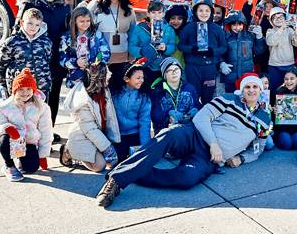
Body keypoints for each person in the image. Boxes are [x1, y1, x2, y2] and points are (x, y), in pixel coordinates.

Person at [96, 74, 271, 208]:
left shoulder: (265, 119)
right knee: (168, 135)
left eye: (255, 87)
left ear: (261, 90)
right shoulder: (229, 99)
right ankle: (116, 181)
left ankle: (134, 171)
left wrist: (242, 158)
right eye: (247, 86)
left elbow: (259, 147)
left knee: (187, 179)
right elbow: (201, 118)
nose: (252, 90)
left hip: (210, 158)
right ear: (242, 89)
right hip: (195, 135)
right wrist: (214, 144)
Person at [17, 0, 71, 128]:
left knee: (53, 97)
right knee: (31, 97)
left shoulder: (64, 8)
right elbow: (18, 30)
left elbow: (66, 33)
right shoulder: (31, 4)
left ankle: (48, 132)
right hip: (34, 59)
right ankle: (30, 133)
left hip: (55, 60)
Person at [0, 68, 53, 182]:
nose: (25, 93)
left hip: (28, 142)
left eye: (28, 89)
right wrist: (6, 128)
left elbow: (46, 131)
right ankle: (9, 166)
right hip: (12, 140)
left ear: (34, 89)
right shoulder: (4, 107)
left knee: (31, 168)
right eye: (21, 89)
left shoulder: (42, 107)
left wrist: (43, 155)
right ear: (15, 90)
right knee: (2, 139)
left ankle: (21, 159)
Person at [60, 61, 121, 173]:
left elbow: (110, 118)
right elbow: (89, 128)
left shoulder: (103, 90)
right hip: (82, 136)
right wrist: (107, 148)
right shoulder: (83, 99)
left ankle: (87, 153)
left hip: (98, 136)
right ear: (98, 78)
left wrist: (113, 140)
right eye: (106, 73)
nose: (110, 74)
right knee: (99, 166)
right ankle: (68, 151)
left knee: (114, 160)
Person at [88, 0, 137, 91]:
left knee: (117, 90)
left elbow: (133, 33)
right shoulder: (95, 5)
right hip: (100, 57)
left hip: (122, 57)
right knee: (98, 91)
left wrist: (132, 54)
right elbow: (86, 28)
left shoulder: (128, 8)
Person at [178, 0, 227, 105]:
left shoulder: (217, 29)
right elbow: (181, 45)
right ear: (196, 11)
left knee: (208, 97)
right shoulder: (188, 28)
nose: (204, 13)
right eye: (201, 10)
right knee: (193, 95)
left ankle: (206, 118)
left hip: (209, 68)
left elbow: (224, 47)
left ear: (211, 13)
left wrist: (213, 51)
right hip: (193, 67)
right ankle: (192, 117)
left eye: (207, 11)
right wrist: (191, 49)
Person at [0, 8, 53, 99]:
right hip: (19, 88)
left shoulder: (46, 42)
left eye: (37, 24)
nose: (33, 27)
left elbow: (48, 60)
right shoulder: (12, 42)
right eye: (30, 23)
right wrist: (2, 84)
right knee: (18, 112)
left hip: (41, 87)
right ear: (22, 23)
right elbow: (2, 63)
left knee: (39, 112)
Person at [128, 0, 178, 91]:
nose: (156, 16)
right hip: (145, 66)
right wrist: (141, 51)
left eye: (159, 13)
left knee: (161, 91)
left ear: (163, 14)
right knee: (145, 91)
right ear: (148, 13)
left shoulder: (168, 29)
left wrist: (166, 48)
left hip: (162, 66)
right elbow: (132, 46)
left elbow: (173, 46)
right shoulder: (139, 28)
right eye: (153, 13)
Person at [59, 6, 111, 89]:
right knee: (78, 100)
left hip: (95, 77)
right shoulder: (66, 37)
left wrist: (95, 63)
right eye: (82, 21)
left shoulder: (97, 35)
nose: (85, 23)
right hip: (75, 78)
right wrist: (76, 62)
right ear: (75, 21)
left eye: (88, 21)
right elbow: (62, 58)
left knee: (95, 100)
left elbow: (105, 52)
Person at [112, 61, 152, 161]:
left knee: (136, 160)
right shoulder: (115, 94)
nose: (142, 80)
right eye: (138, 78)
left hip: (134, 134)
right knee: (116, 161)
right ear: (127, 79)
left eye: (142, 77)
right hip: (117, 135)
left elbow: (145, 121)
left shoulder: (143, 96)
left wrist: (145, 146)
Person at [220, 11, 266, 94]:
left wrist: (259, 38)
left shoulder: (249, 36)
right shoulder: (224, 37)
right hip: (230, 75)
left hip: (246, 75)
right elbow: (219, 53)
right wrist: (221, 64)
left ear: (244, 24)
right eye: (234, 25)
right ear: (229, 25)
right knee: (231, 98)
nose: (237, 28)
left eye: (240, 24)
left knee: (245, 97)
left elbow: (258, 51)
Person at [150, 58, 200, 135]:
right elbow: (155, 116)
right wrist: (168, 114)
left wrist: (196, 109)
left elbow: (197, 105)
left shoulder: (190, 88)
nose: (174, 72)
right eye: (169, 70)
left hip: (187, 130)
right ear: (164, 75)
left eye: (176, 69)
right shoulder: (158, 92)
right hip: (165, 132)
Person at [264, 7, 297, 93]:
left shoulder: (289, 30)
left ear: (285, 18)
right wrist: (281, 28)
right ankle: (274, 105)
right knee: (275, 88)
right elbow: (270, 42)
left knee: (290, 88)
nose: (278, 19)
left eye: (281, 17)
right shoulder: (270, 31)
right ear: (271, 21)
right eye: (275, 18)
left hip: (289, 64)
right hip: (274, 65)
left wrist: (296, 30)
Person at [272, 67, 297, 150]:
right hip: (283, 127)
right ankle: (278, 139)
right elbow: (271, 111)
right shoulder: (279, 91)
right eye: (286, 79)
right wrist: (274, 110)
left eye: (292, 79)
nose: (289, 81)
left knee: (296, 144)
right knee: (287, 144)